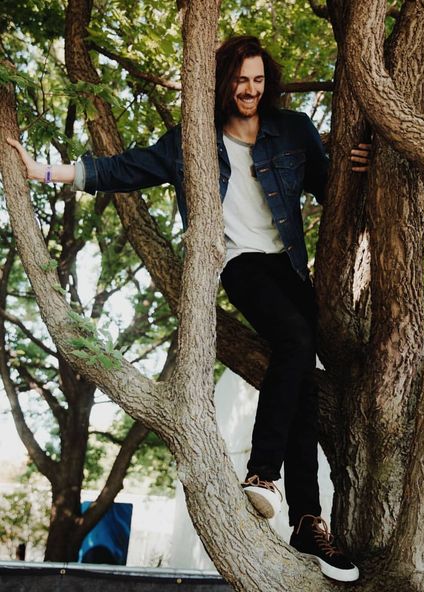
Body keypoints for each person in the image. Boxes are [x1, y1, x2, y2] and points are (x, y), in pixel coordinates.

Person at [8, 35, 369, 582]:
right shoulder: (192, 142)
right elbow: (124, 168)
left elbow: (327, 186)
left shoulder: (292, 130)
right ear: (224, 82)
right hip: (241, 265)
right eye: (241, 80)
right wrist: (46, 173)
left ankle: (308, 522)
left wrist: (359, 165)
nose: (250, 90)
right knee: (295, 344)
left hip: (290, 267)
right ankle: (261, 476)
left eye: (258, 80)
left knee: (301, 383)